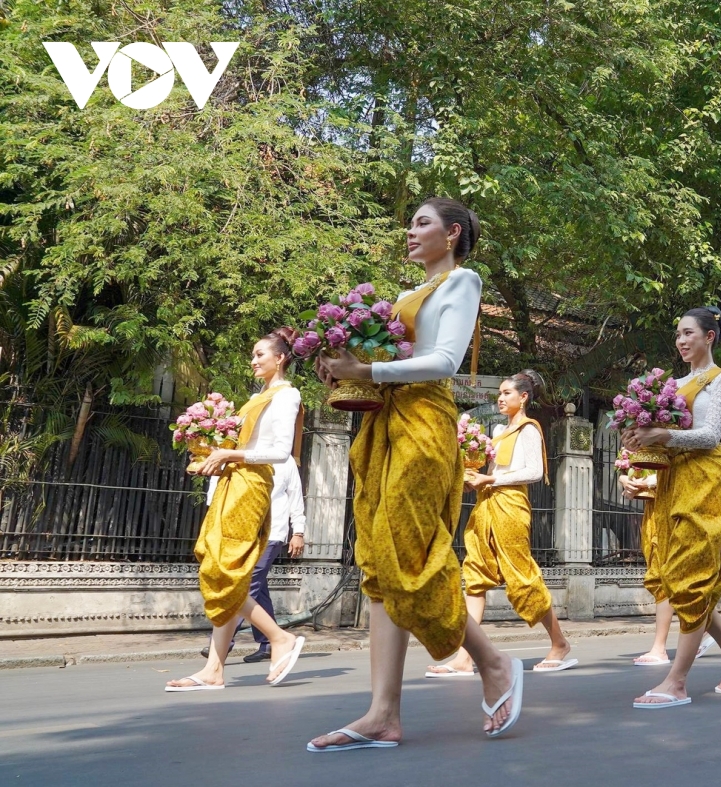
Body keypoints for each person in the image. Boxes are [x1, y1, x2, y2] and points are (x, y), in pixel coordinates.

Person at [308, 197, 521, 752]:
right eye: (411, 222)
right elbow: (382, 364)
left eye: (422, 222)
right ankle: (383, 713)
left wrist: (369, 367)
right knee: (381, 561)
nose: (411, 230)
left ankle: (493, 661)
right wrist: (341, 367)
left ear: (452, 234)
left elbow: (445, 360)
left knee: (407, 552)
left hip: (425, 422)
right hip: (383, 424)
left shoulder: (462, 281)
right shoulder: (402, 297)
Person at [621, 307, 721, 708]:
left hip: (704, 480)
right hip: (671, 481)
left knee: (691, 572)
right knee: (675, 573)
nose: (681, 341)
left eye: (688, 333)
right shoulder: (672, 384)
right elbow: (663, 441)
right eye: (678, 335)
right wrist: (639, 447)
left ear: (709, 336)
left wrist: (662, 434)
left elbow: (708, 436)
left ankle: (677, 681)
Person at [166, 329, 306, 691]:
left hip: (252, 485)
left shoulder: (288, 395)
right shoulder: (256, 396)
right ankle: (214, 669)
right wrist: (210, 456)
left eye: (261, 354)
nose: (254, 360)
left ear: (281, 358)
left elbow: (280, 451)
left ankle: (279, 637)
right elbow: (241, 444)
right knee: (225, 569)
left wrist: (231, 455)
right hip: (234, 481)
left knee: (221, 568)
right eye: (253, 355)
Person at [426, 370, 575, 675]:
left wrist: (492, 478)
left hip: (510, 506)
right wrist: (474, 478)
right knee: (475, 575)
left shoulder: (529, 429)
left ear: (524, 398)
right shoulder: (497, 432)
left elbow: (533, 472)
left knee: (521, 575)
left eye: (507, 393)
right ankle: (465, 657)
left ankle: (559, 643)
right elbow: (490, 472)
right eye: (499, 394)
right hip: (486, 504)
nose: (501, 398)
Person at [200, 457, 306, 662]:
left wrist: (298, 531)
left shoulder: (283, 458)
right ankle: (269, 641)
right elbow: (216, 493)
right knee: (258, 588)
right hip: (238, 533)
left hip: (273, 532)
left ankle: (221, 642)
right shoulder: (233, 455)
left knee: (244, 586)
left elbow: (295, 494)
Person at [618, 472, 716, 666]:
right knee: (670, 577)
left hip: (677, 506)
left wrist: (651, 480)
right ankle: (708, 633)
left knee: (667, 575)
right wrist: (627, 481)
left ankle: (659, 647)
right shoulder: (640, 442)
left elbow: (683, 465)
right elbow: (627, 466)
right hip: (654, 510)